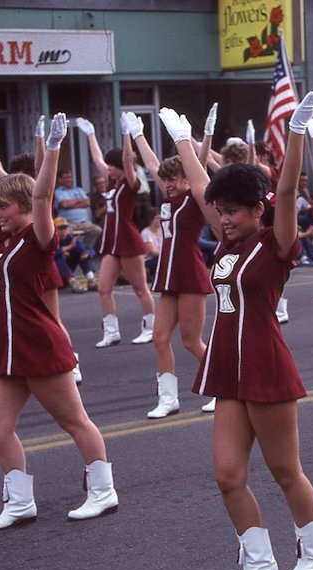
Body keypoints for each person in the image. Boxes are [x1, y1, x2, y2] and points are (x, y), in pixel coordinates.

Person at [161, 88, 313, 570]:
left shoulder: (275, 244)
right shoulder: (228, 245)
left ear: (258, 210)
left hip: (264, 362)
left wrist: (296, 134)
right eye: (222, 211)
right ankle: (258, 561)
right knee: (228, 475)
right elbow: (199, 189)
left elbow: (286, 186)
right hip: (226, 368)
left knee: (284, 470)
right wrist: (183, 141)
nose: (225, 217)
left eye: (235, 210)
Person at [0, 113, 119, 529]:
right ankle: (20, 502)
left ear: (23, 207)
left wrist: (55, 147)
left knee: (73, 421)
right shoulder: (4, 236)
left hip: (39, 344)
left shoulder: (40, 237)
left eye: (2, 206)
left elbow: (42, 198)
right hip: (5, 346)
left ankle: (103, 491)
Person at [128, 109, 216, 418]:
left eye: (173, 178)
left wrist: (200, 138)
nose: (167, 183)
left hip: (190, 273)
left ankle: (221, 387)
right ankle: (168, 399)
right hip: (168, 275)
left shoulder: (194, 197)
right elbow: (153, 166)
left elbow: (199, 167)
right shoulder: (169, 199)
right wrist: (138, 136)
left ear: (186, 179)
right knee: (159, 337)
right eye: (165, 180)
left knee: (192, 341)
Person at [75, 115, 157, 348]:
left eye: (113, 166)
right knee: (103, 288)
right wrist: (90, 134)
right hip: (111, 240)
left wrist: (127, 134)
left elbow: (129, 163)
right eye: (109, 167)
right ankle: (111, 331)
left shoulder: (132, 184)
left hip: (128, 239)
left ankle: (150, 328)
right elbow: (97, 159)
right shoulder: (111, 183)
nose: (108, 169)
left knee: (140, 288)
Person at [54, 168, 102, 246]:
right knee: (63, 234)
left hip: (84, 222)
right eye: (66, 177)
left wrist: (70, 203)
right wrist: (78, 200)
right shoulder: (58, 192)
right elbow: (64, 204)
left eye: (70, 177)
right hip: (68, 223)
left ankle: (86, 250)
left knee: (97, 230)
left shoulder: (79, 190)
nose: (69, 179)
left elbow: (87, 203)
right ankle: (69, 252)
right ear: (60, 180)